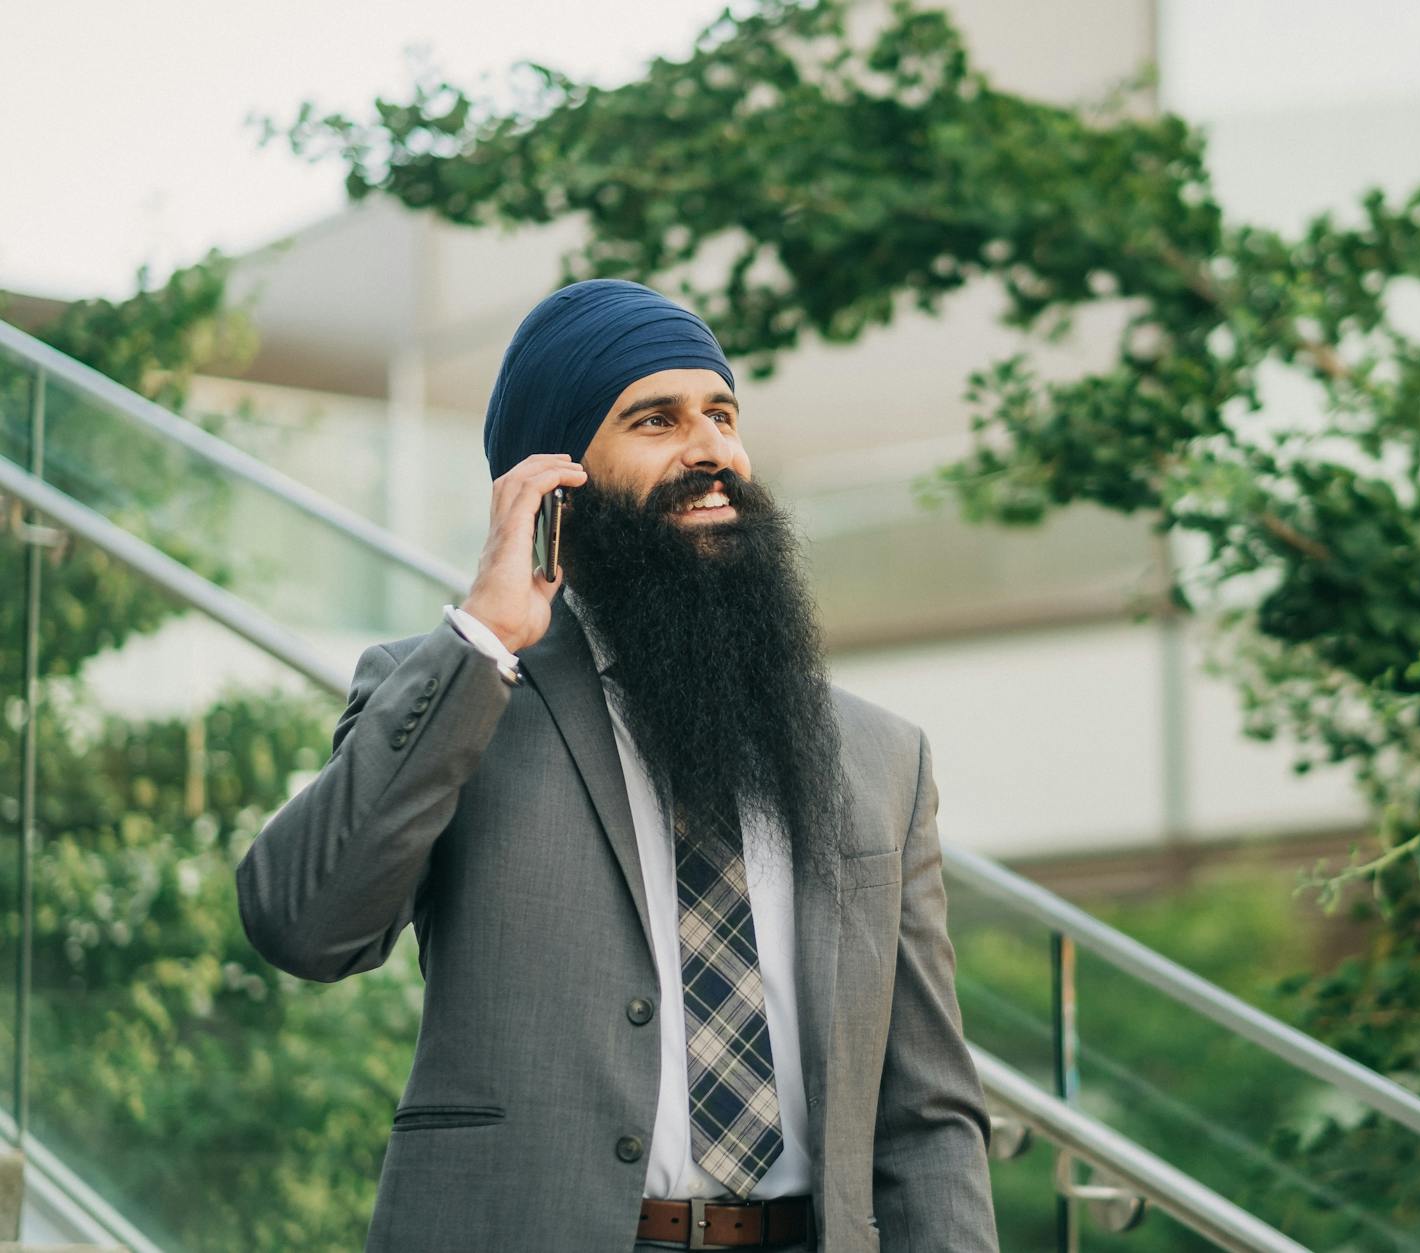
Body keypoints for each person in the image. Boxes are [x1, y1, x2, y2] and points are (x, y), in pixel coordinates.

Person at [235, 278, 1000, 1251]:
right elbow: (301, 923)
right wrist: (481, 637)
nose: (710, 449)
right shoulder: (460, 696)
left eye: (722, 414)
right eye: (655, 419)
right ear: (556, 477)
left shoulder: (880, 759)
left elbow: (927, 1118)